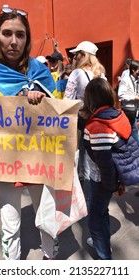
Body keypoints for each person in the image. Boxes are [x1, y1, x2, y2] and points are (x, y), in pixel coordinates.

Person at [0, 6, 58, 260]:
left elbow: (61, 119)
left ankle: (51, 262)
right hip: (6, 163)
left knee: (46, 219)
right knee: (10, 226)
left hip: (40, 161)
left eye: (20, 35)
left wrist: (42, 100)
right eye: (7, 33)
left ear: (27, 39)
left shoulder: (41, 73)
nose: (14, 41)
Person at [82, 77, 131, 259]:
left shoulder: (97, 126)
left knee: (94, 219)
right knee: (103, 211)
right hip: (112, 177)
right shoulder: (117, 115)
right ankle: (101, 243)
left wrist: (113, 185)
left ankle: (105, 259)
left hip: (102, 180)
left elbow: (105, 162)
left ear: (90, 99)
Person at [64, 41, 106, 199]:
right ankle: (92, 193)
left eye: (77, 54)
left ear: (83, 55)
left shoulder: (76, 73)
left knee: (77, 155)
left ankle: (79, 193)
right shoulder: (101, 74)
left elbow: (68, 99)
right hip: (97, 120)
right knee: (92, 156)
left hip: (79, 119)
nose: (75, 57)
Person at [118, 59, 139, 144]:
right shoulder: (125, 80)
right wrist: (134, 97)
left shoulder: (136, 80)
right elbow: (120, 95)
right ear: (133, 70)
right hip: (128, 110)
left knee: (132, 131)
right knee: (133, 131)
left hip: (134, 110)